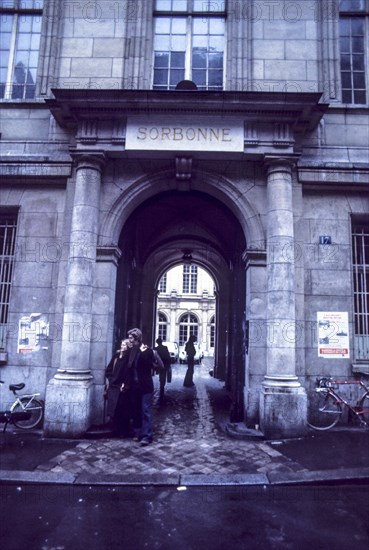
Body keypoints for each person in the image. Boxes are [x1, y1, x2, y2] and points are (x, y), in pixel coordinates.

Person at [127, 327, 155, 446]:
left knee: (146, 410)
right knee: (136, 410)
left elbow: (152, 365)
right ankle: (138, 432)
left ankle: (147, 436)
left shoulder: (146, 351)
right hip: (135, 386)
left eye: (131, 338)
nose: (129, 340)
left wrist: (144, 353)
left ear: (136, 338)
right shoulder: (132, 350)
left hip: (145, 385)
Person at [105, 338, 132, 437]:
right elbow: (108, 370)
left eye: (124, 345)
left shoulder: (129, 358)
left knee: (123, 410)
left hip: (122, 388)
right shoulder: (116, 356)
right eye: (122, 344)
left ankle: (123, 431)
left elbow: (129, 373)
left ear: (128, 347)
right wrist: (111, 380)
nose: (122, 346)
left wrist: (125, 383)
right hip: (113, 386)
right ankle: (115, 429)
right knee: (114, 410)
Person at [155, 337, 172, 401]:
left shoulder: (156, 348)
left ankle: (161, 385)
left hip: (160, 363)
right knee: (164, 374)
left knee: (161, 375)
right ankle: (162, 385)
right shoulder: (165, 347)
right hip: (165, 363)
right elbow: (168, 355)